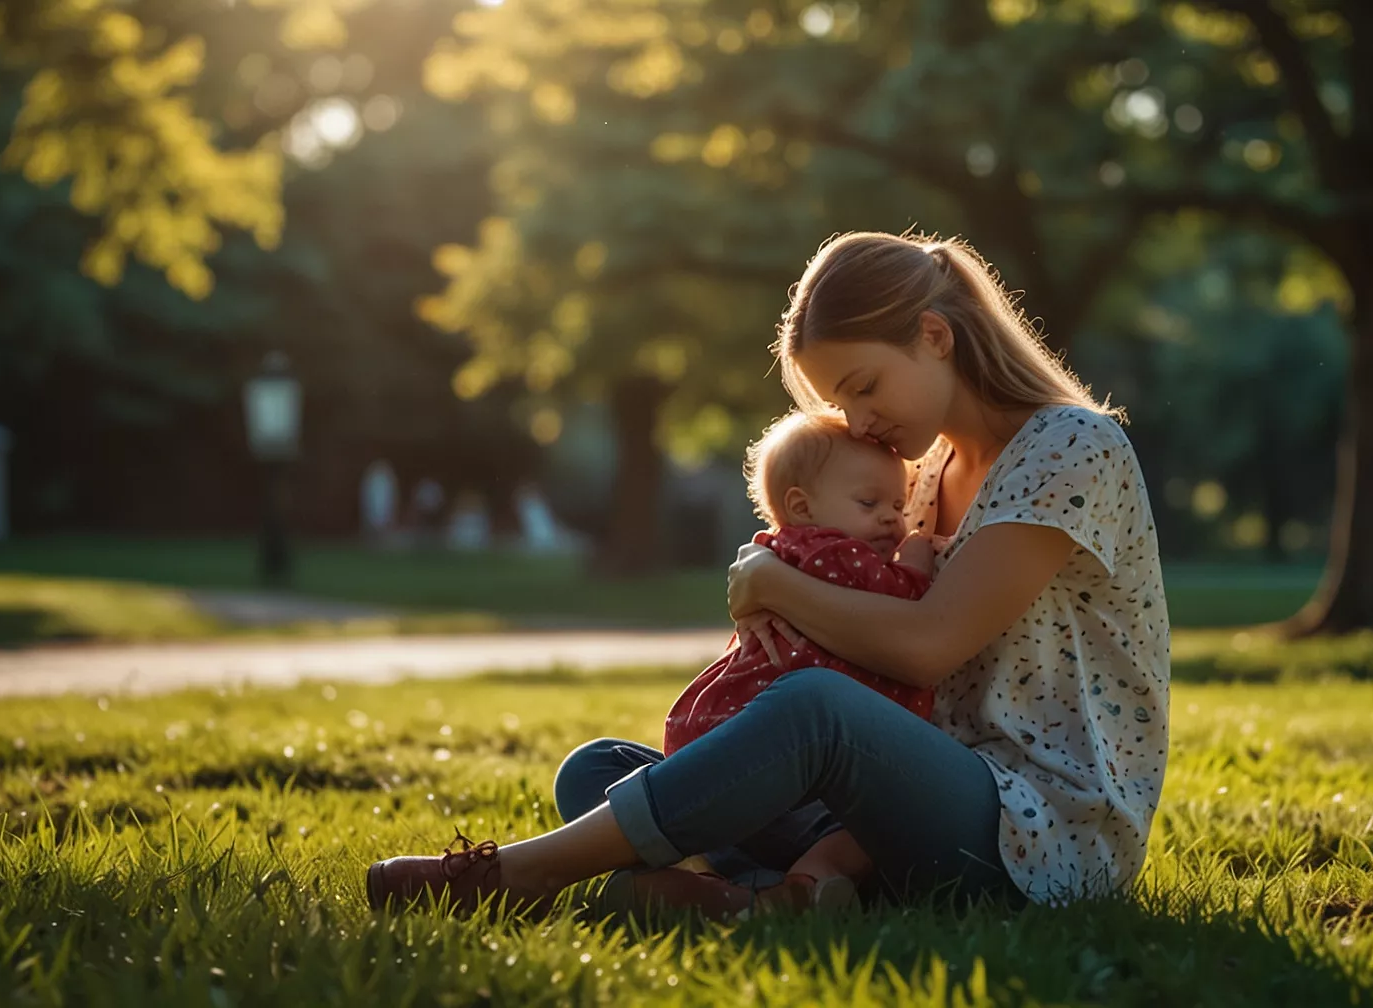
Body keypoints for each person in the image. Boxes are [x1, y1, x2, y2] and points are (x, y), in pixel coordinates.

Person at [365, 231, 1171, 918]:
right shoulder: (921, 481)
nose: (858, 422)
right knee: (600, 768)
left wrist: (773, 581)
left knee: (815, 708)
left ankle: (521, 873)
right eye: (839, 402)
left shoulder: (1070, 448)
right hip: (892, 805)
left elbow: (925, 646)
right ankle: (768, 899)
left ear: (935, 336)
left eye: (863, 386)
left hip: (1041, 831)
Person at [659, 409, 941, 911]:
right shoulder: (834, 557)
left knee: (595, 773)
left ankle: (733, 889)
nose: (892, 519)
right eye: (869, 502)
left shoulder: (777, 554)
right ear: (801, 507)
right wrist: (918, 559)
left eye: (899, 505)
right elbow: (903, 596)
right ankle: (800, 881)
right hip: (787, 780)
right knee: (868, 832)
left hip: (720, 758)